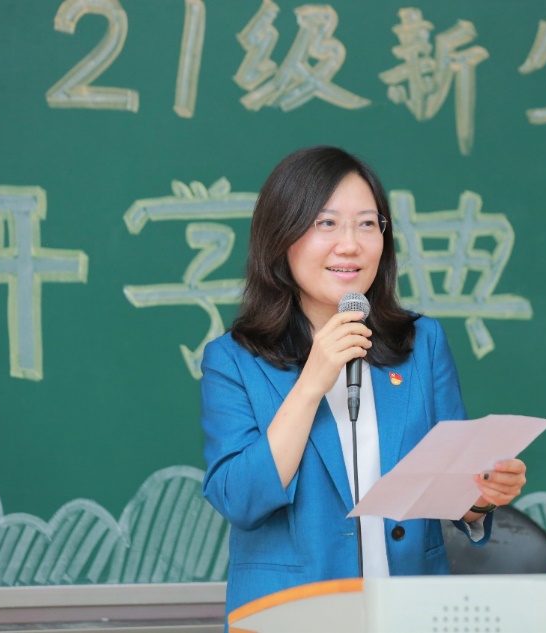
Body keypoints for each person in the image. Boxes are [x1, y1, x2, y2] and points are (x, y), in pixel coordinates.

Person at [200, 146, 527, 616]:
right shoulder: (234, 360)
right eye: (326, 223)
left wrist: (481, 497)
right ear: (281, 236)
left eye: (367, 224)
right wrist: (311, 383)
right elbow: (240, 499)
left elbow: (452, 486)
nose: (350, 245)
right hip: (291, 615)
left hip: (409, 612)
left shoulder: (421, 343)